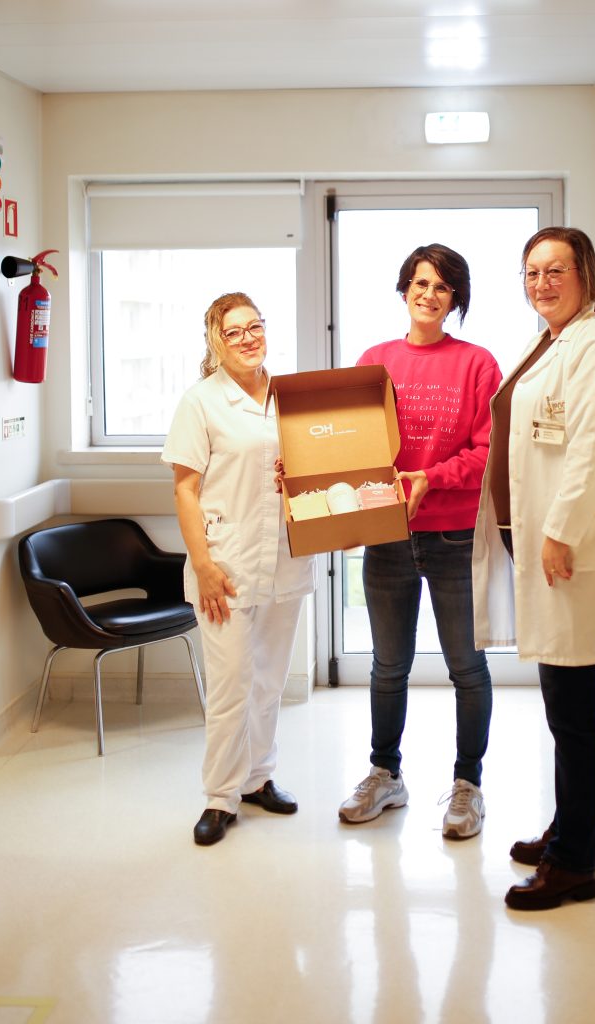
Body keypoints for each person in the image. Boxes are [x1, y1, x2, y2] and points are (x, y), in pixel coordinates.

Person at [472, 227, 595, 908]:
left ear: (586, 275)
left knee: (571, 712)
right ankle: (572, 833)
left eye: (555, 270)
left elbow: (593, 448)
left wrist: (560, 532)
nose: (541, 283)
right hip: (540, 540)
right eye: (531, 272)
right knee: (562, 706)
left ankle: (574, 863)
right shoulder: (552, 341)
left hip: (565, 547)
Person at [338, 244, 502, 840]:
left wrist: (432, 476)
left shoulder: (477, 364)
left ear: (456, 298)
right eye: (420, 282)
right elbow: (347, 441)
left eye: (442, 286)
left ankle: (467, 785)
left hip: (454, 535)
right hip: (386, 535)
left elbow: (489, 451)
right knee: (388, 666)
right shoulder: (375, 361)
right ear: (404, 289)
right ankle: (386, 774)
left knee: (466, 666)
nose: (429, 294)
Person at [162, 292, 317, 847]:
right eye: (234, 331)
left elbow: (310, 465)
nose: (248, 338)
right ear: (216, 341)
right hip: (225, 563)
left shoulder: (289, 397)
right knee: (231, 685)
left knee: (270, 680)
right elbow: (184, 489)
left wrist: (298, 471)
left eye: (255, 326)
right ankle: (219, 797)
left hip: (285, 555)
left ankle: (257, 779)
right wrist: (203, 566)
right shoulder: (201, 402)